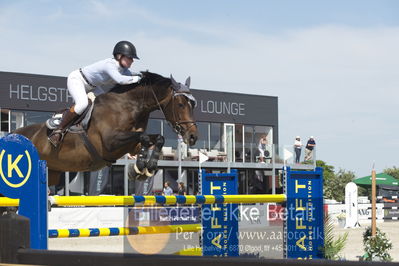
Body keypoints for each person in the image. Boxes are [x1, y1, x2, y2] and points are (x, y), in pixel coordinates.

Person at [48, 40, 142, 147]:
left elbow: (132, 76)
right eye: (130, 58)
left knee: (103, 103)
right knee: (82, 104)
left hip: (92, 86)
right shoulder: (109, 65)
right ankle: (58, 130)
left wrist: (142, 76)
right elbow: (120, 80)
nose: (132, 61)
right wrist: (137, 78)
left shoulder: (123, 69)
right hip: (78, 79)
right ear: (119, 56)